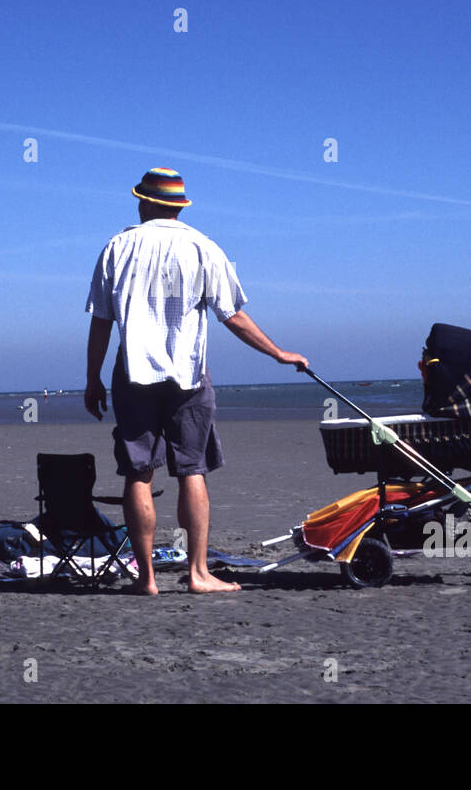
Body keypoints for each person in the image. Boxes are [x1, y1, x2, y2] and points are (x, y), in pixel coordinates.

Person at [84, 168, 308, 595]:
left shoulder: (117, 247)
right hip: (187, 372)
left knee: (138, 474)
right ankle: (198, 574)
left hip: (134, 371)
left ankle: (147, 579)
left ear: (145, 202)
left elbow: (101, 323)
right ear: (179, 205)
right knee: (192, 470)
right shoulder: (203, 247)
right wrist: (278, 353)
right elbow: (233, 317)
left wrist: (92, 379)